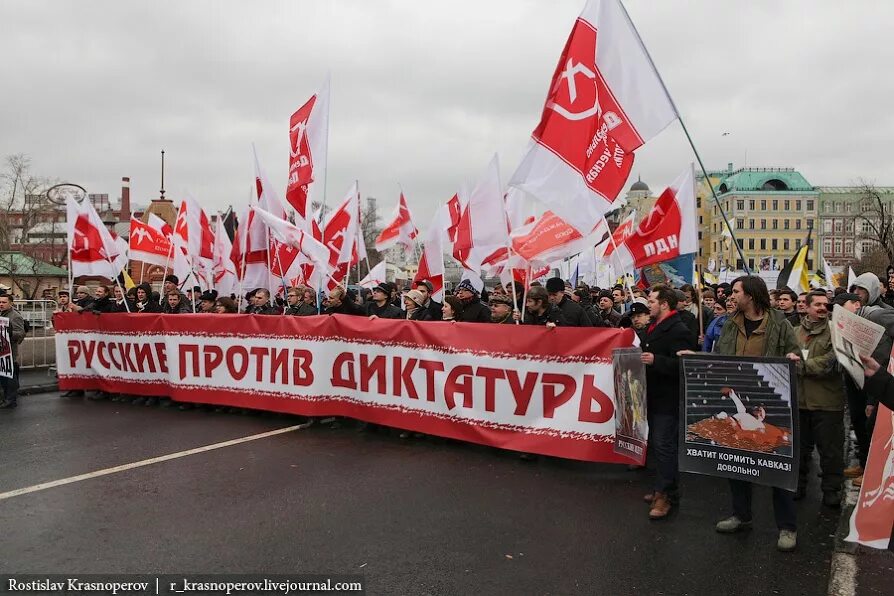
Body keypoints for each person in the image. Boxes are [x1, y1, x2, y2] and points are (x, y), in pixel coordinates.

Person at [712, 275, 801, 552]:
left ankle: (787, 527)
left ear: (750, 295)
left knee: (776, 465)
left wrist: (792, 359)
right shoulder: (730, 324)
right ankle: (741, 514)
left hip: (770, 402)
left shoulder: (779, 323)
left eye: (736, 291)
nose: (731, 295)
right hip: (739, 397)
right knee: (737, 459)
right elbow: (719, 357)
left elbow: (794, 351)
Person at [639, 284, 691, 520]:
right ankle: (663, 486)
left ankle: (666, 496)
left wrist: (656, 361)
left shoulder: (678, 329)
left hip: (667, 399)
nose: (648, 305)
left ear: (664, 304)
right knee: (659, 446)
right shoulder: (654, 325)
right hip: (654, 394)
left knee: (664, 446)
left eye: (651, 301)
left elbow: (683, 366)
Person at [794, 290, 845, 506]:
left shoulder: (836, 332)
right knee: (799, 450)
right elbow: (785, 354)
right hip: (799, 402)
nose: (823, 307)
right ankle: (798, 485)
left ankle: (831, 489)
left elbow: (834, 361)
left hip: (827, 403)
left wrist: (803, 366)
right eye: (818, 304)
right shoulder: (794, 332)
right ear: (806, 307)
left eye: (826, 304)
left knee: (830, 451)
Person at [0, 293, 26, 409]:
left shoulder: (15, 316)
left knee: (9, 375)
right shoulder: (2, 313)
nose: (1, 304)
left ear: (11, 303)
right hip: (2, 350)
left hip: (10, 350)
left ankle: (11, 400)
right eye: (0, 302)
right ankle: (7, 397)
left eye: (4, 302)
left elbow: (21, 333)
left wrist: (10, 333)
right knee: (4, 375)